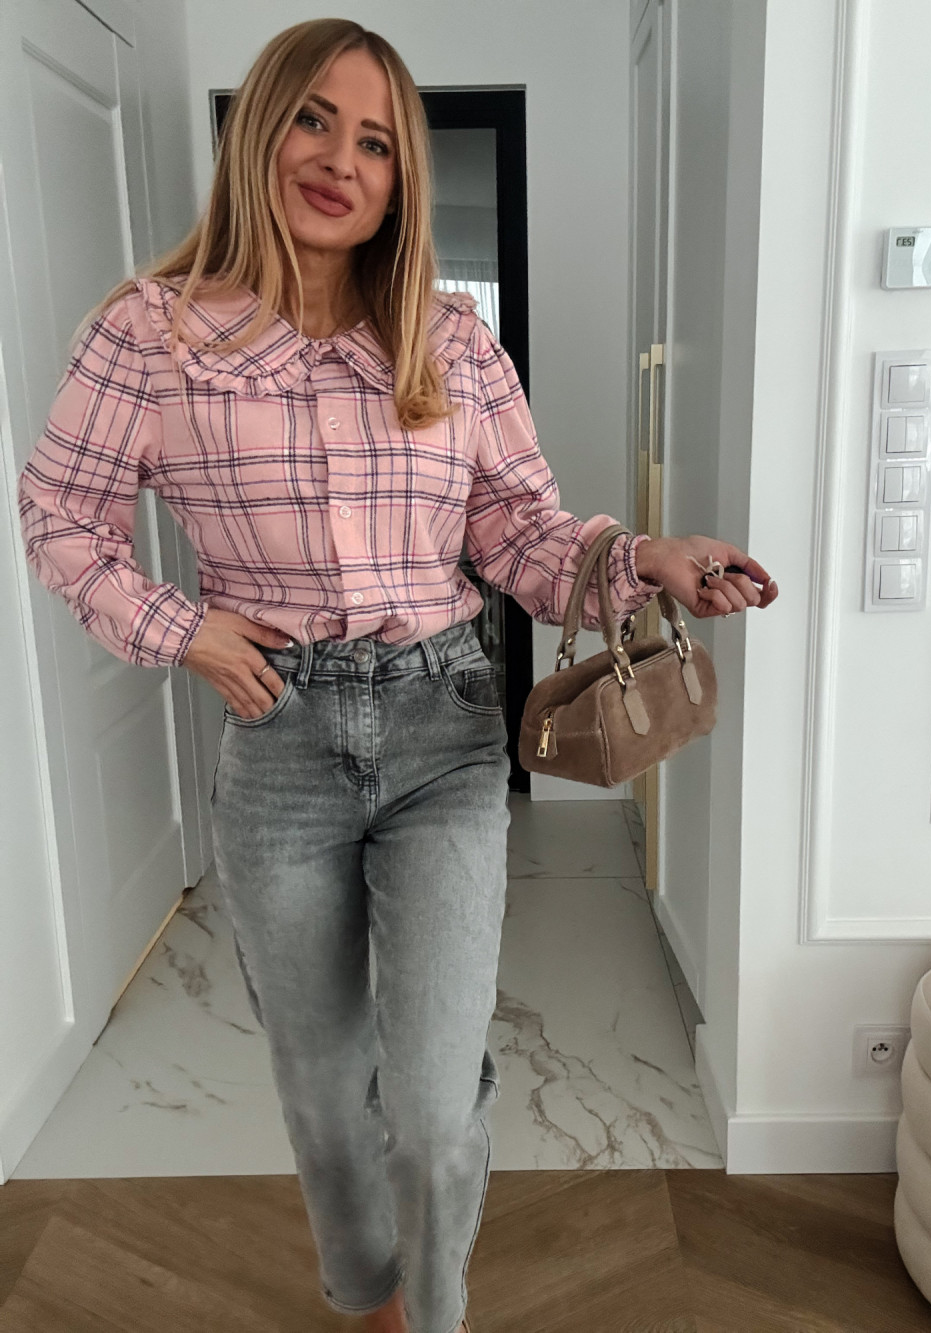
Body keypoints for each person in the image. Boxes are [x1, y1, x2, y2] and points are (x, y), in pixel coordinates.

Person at [16, 18, 777, 1333]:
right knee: (321, 1086)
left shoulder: (451, 341)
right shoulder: (152, 335)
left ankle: (434, 1313)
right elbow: (59, 515)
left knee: (429, 1103)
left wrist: (645, 558)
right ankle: (365, 1297)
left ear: (398, 180)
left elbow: (524, 538)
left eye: (376, 143)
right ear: (261, 128)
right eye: (315, 119)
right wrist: (182, 630)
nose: (341, 161)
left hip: (443, 725)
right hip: (280, 743)